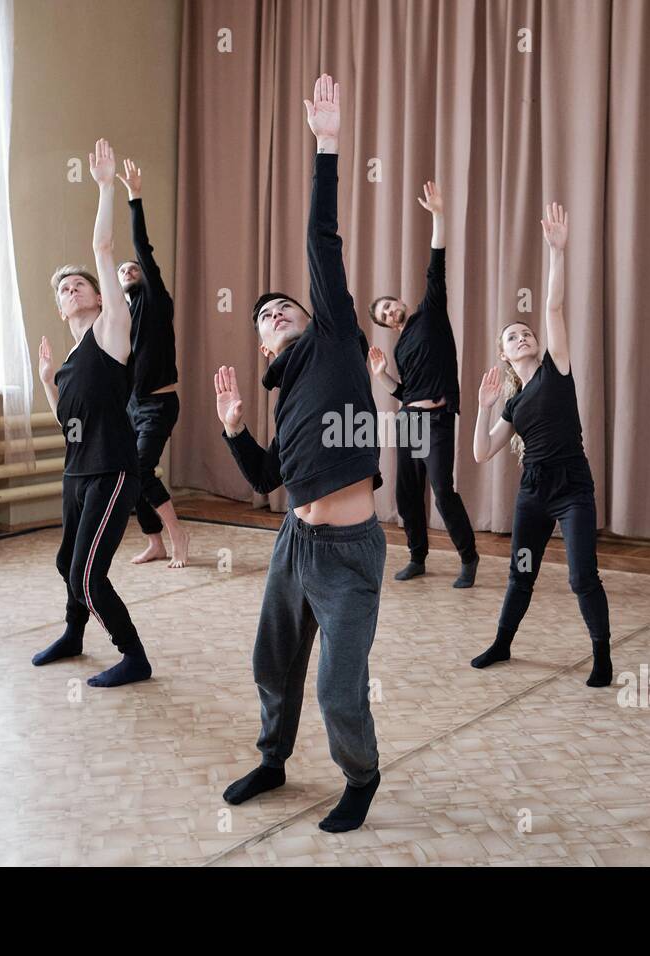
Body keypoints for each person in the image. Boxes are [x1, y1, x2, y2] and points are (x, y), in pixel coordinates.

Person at [213, 74, 386, 833]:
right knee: (271, 666)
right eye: (264, 315)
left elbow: (323, 240)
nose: (275, 310)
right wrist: (231, 428)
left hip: (349, 553)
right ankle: (274, 759)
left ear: (308, 315)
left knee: (338, 692)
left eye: (284, 303)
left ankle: (361, 777)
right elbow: (263, 481)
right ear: (261, 343)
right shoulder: (287, 399)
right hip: (293, 543)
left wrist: (327, 145)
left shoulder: (337, 343)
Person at [470, 202, 613, 688]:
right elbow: (482, 453)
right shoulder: (513, 404)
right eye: (512, 336)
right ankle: (502, 644)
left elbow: (552, 307)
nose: (522, 336)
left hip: (572, 488)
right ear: (505, 355)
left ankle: (602, 655)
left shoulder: (558, 370)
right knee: (520, 572)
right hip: (532, 491)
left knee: (581, 577)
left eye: (525, 333)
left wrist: (557, 253)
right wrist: (486, 405)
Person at [31, 138, 151, 689]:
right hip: (77, 472)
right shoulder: (72, 363)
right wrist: (46, 386)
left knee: (87, 571)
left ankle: (133, 656)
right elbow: (67, 425)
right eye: (63, 289)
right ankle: (75, 634)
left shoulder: (110, 334)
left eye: (79, 283)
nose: (72, 288)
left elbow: (103, 246)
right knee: (66, 565)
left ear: (100, 299)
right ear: (60, 309)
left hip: (113, 470)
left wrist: (105, 187)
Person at [367, 180, 479, 587]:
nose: (390, 310)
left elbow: (438, 260)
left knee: (442, 489)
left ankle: (468, 558)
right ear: (385, 325)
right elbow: (406, 392)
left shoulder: (431, 309)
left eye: (390, 304)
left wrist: (437, 215)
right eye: (384, 313)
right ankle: (417, 556)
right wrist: (384, 380)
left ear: (402, 303)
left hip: (437, 420)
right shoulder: (399, 351)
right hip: (408, 420)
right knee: (405, 495)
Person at [114, 158, 190, 568]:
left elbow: (143, 248)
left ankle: (178, 535)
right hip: (132, 407)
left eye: (133, 268)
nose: (128, 269)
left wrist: (134, 196)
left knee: (140, 469)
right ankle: (154, 540)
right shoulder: (119, 319)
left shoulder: (156, 302)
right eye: (121, 269)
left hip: (159, 404)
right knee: (130, 474)